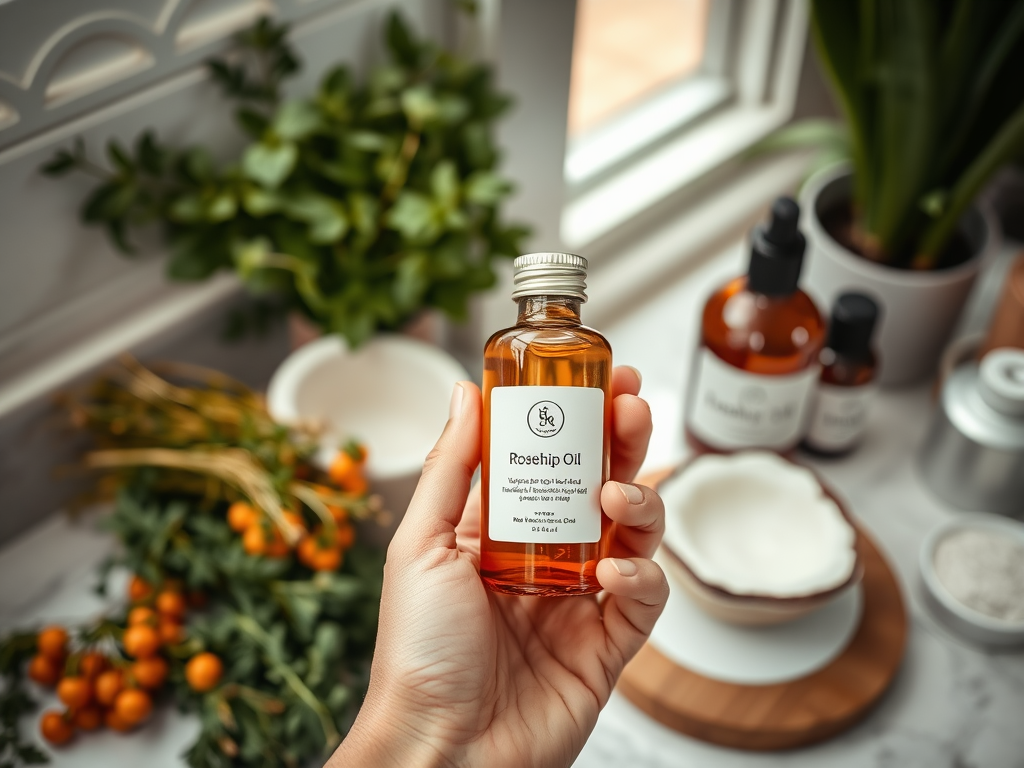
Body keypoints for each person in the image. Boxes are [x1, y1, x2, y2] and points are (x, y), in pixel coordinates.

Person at [328, 366, 668, 768]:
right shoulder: (508, 349)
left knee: (609, 481)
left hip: (558, 624)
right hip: (509, 597)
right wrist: (419, 717)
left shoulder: (574, 352)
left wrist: (425, 737)